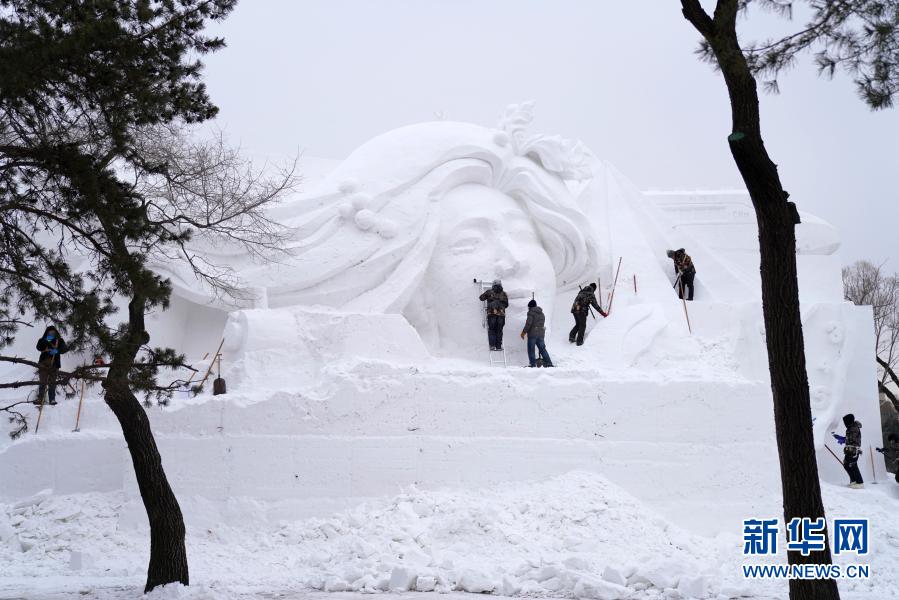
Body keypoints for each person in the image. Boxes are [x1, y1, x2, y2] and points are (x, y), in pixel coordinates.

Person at [34, 325, 68, 406]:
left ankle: (52, 399)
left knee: (52, 382)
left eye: (53, 332)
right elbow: (39, 347)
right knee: (42, 381)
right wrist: (46, 340)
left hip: (55, 363)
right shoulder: (42, 339)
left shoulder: (59, 340)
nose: (51, 333)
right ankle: (40, 398)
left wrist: (57, 351)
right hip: (43, 363)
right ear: (47, 332)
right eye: (50, 332)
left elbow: (65, 349)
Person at [833, 413, 864, 489]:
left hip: (853, 451)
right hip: (850, 450)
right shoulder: (851, 427)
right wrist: (842, 439)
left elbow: (852, 439)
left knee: (852, 465)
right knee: (848, 465)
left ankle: (859, 483)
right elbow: (850, 438)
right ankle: (854, 481)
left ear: (849, 421)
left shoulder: (853, 428)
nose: (844, 424)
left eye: (845, 422)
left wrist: (843, 439)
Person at [520, 299, 553, 367]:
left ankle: (533, 364)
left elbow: (529, 324)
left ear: (530, 307)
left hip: (532, 334)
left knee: (531, 350)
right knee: (542, 349)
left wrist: (523, 332)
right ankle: (549, 363)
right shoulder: (542, 313)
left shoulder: (531, 313)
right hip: (541, 334)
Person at [479, 280, 509, 351]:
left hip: (492, 314)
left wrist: (490, 300)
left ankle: (492, 346)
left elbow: (481, 298)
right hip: (501, 315)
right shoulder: (504, 294)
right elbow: (506, 305)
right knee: (499, 330)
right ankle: (498, 346)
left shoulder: (489, 292)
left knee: (492, 330)